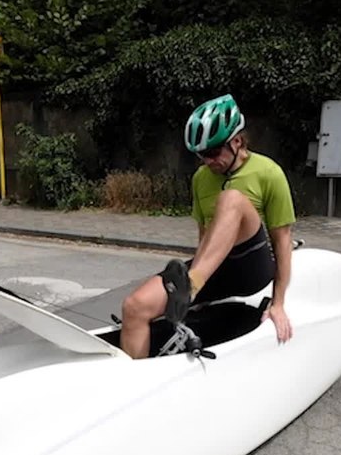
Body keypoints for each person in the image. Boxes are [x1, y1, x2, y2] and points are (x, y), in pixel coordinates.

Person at [119, 93, 296, 359]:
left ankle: (191, 288)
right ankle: (137, 380)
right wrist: (202, 298)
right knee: (135, 306)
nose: (207, 161)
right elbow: (205, 237)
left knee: (231, 199)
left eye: (213, 152)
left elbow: (282, 241)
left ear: (237, 141)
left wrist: (278, 303)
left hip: (252, 266)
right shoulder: (201, 178)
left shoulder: (268, 172)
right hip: (213, 270)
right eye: (201, 155)